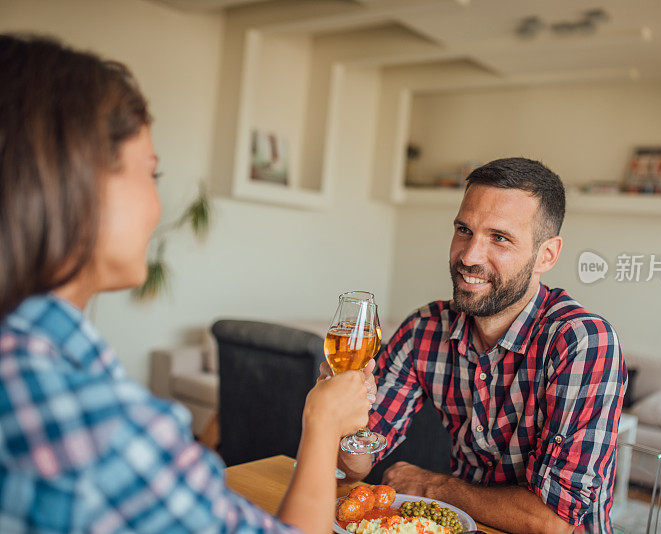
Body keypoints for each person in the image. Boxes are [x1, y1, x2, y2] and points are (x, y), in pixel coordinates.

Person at [0, 34, 372, 533]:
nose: (157, 205)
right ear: (79, 185)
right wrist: (322, 425)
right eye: (151, 174)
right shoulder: (103, 429)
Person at [326, 158, 626, 533]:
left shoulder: (582, 343)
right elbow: (360, 460)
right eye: (464, 230)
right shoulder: (424, 328)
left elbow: (551, 522)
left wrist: (432, 486)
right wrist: (342, 413)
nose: (469, 256)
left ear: (546, 255)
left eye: (499, 238)